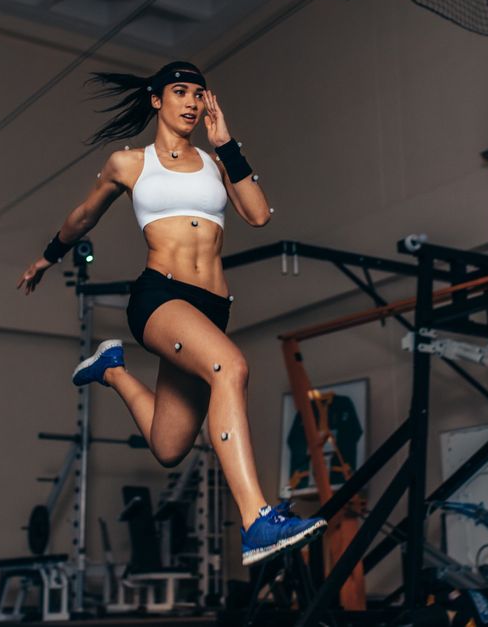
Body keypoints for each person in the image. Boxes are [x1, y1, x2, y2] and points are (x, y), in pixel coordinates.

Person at [17, 61, 325, 566]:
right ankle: (256, 522)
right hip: (160, 296)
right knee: (231, 367)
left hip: (210, 307)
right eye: (180, 91)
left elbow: (258, 213)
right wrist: (48, 256)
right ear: (157, 99)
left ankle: (112, 370)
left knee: (168, 445)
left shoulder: (213, 160)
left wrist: (227, 144)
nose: (191, 102)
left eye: (199, 94)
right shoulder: (130, 163)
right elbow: (84, 215)